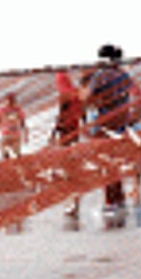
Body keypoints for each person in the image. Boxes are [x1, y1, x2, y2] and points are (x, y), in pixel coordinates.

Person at [83, 44, 134, 213]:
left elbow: (87, 98)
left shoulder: (100, 76)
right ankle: (120, 199)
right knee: (117, 161)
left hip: (105, 124)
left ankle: (111, 201)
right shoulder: (124, 75)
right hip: (121, 123)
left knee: (105, 162)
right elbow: (128, 97)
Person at [51, 71, 84, 216]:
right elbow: (83, 114)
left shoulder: (64, 96)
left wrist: (53, 134)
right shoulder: (76, 93)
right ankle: (75, 201)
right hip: (75, 131)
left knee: (65, 167)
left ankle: (71, 203)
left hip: (66, 132)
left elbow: (60, 117)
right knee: (72, 166)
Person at [0, 93, 27, 160]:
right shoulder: (2, 110)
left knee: (17, 153)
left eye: (12, 99)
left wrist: (25, 134)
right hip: (6, 135)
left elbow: (22, 123)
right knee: (5, 152)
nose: (11, 101)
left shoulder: (18, 109)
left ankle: (17, 164)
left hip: (15, 135)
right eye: (9, 99)